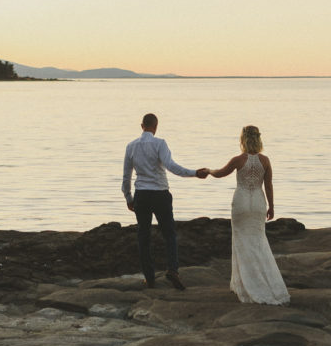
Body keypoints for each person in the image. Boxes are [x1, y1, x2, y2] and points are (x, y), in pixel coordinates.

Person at [122, 113, 208, 289]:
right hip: (160, 194)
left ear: (142, 126)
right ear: (155, 126)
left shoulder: (131, 146)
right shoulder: (160, 143)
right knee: (169, 234)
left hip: (142, 195)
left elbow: (126, 176)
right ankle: (173, 270)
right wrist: (194, 173)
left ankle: (149, 277)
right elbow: (172, 167)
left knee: (143, 236)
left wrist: (128, 197)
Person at [208, 124, 290, 305]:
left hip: (241, 203)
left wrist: (208, 171)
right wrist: (271, 206)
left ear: (243, 139)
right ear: (259, 139)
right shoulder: (265, 160)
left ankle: (245, 286)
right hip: (259, 203)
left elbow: (220, 173)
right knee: (259, 243)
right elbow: (268, 186)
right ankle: (264, 284)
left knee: (241, 242)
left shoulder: (239, 160)